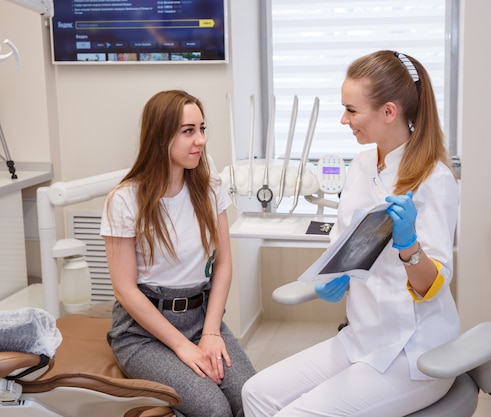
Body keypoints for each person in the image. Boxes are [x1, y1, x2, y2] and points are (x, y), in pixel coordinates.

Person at [242, 50, 460, 417]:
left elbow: (431, 287)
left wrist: (408, 246)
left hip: (414, 353)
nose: (344, 119)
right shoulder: (360, 165)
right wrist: (337, 275)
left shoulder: (434, 179)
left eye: (352, 110)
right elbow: (343, 243)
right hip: (362, 337)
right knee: (256, 393)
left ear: (389, 112)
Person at [100, 89, 256, 417]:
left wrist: (211, 333)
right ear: (160, 137)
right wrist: (183, 347)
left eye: (201, 129)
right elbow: (124, 290)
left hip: (201, 319)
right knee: (213, 409)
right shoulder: (124, 200)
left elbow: (224, 263)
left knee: (251, 398)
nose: (199, 140)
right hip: (142, 333)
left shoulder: (211, 190)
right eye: (188, 131)